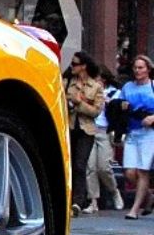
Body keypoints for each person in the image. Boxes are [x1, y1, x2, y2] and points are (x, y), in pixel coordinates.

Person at [65, 53, 104, 213]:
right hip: (69, 126)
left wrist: (80, 103)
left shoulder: (96, 86)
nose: (72, 67)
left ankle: (78, 201)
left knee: (80, 164)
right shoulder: (67, 82)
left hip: (86, 130)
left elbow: (96, 111)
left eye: (75, 64)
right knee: (69, 164)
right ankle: (67, 197)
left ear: (84, 66)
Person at [88, 65, 126, 212]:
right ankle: (93, 201)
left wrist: (108, 102)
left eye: (96, 78)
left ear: (103, 79)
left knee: (104, 167)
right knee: (90, 167)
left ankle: (114, 192)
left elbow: (119, 112)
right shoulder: (89, 91)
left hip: (105, 132)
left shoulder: (115, 92)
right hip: (90, 130)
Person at [122, 53, 154, 220]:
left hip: (149, 134)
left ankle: (134, 209)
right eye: (135, 67)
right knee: (129, 172)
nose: (137, 70)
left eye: (141, 67)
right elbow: (118, 105)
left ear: (148, 69)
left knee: (143, 171)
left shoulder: (153, 86)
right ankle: (148, 195)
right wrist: (122, 105)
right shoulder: (128, 87)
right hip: (132, 131)